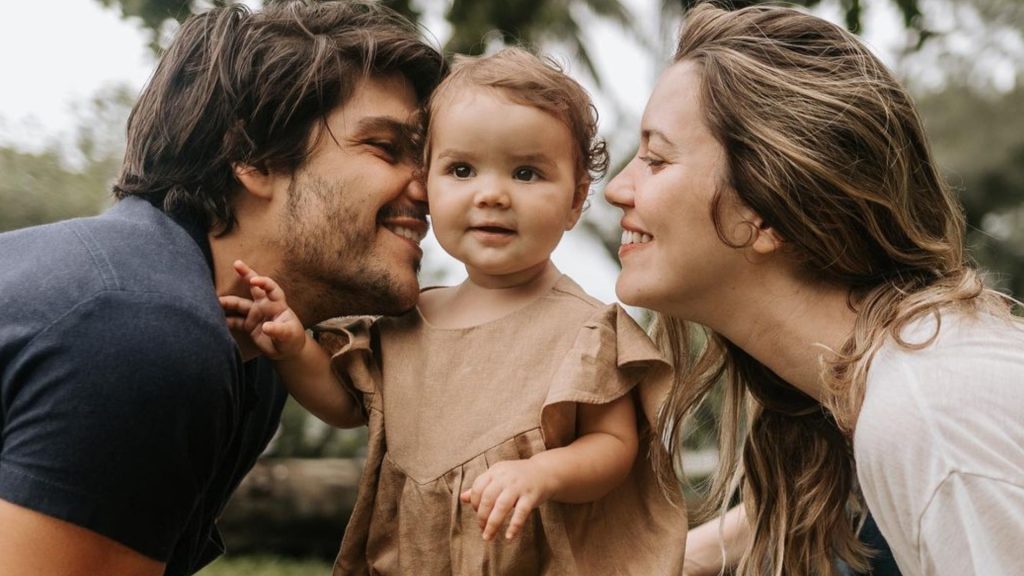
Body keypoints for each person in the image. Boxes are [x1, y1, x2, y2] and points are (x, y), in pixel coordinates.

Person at [0, 2, 444, 575]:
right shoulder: (141, 332)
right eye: (386, 147)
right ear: (254, 158)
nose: (430, 190)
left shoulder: (253, 360)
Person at [223, 48, 688, 575]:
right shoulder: (407, 320)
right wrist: (292, 348)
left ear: (576, 199)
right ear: (427, 186)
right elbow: (347, 406)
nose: (491, 195)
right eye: (462, 170)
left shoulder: (586, 329)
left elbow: (614, 445)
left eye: (527, 173)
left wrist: (543, 474)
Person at [604, 3, 1024, 576]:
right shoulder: (879, 391)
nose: (617, 189)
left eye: (655, 159)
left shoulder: (929, 414)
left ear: (765, 207)